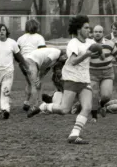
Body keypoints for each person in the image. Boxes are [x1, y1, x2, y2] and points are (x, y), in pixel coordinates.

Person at [31, 15, 100, 144]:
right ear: (79, 29)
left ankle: (74, 135)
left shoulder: (91, 43)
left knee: (87, 107)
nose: (89, 30)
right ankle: (43, 106)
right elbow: (73, 61)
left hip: (84, 80)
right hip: (71, 78)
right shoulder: (73, 43)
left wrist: (99, 53)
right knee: (64, 110)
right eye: (86, 28)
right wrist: (87, 54)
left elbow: (96, 52)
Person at [89, 25, 117, 122]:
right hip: (92, 73)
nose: (97, 33)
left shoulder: (110, 43)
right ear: (93, 33)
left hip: (107, 72)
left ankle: (101, 105)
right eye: (95, 31)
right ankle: (94, 116)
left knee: (106, 96)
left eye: (100, 32)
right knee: (94, 94)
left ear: (103, 33)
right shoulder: (88, 44)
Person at [24, 47, 67, 117]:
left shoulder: (56, 60)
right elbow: (46, 62)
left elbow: (47, 68)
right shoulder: (56, 52)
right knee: (35, 85)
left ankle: (38, 103)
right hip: (31, 61)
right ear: (63, 55)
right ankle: (36, 105)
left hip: (30, 61)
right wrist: (39, 75)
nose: (63, 61)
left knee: (38, 84)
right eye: (64, 59)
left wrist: (40, 77)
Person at [17, 19, 46, 111]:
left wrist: (21, 63)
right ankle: (37, 105)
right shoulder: (39, 37)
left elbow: (16, 53)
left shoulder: (20, 38)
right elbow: (42, 52)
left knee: (29, 83)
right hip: (33, 61)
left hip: (23, 62)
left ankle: (26, 102)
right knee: (36, 84)